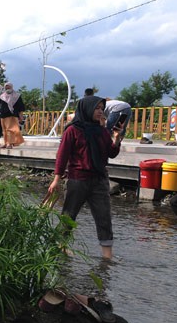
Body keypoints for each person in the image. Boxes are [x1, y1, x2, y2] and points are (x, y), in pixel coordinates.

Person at [47, 94, 123, 260]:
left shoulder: (101, 131)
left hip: (99, 180)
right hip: (78, 179)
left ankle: (107, 256)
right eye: (97, 108)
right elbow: (62, 155)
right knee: (69, 215)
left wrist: (117, 139)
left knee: (104, 217)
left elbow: (111, 153)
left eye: (102, 108)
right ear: (87, 109)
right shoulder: (72, 130)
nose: (100, 111)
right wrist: (56, 179)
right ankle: (61, 246)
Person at [0, 82, 25, 149]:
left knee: (10, 130)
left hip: (12, 115)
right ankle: (6, 142)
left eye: (9, 87)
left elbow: (21, 106)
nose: (7, 88)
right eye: (6, 87)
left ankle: (9, 143)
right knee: (4, 130)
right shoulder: (2, 96)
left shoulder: (16, 96)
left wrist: (21, 116)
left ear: (11, 87)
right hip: (3, 115)